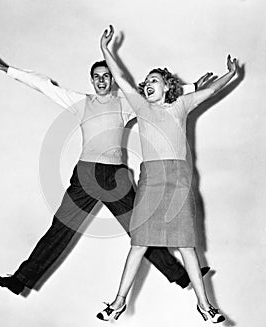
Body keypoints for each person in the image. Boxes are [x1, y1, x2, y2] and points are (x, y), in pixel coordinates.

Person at [0, 48, 211, 296]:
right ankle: (20, 280)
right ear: (92, 80)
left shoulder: (126, 102)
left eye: (106, 75)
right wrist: (9, 70)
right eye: (97, 76)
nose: (102, 80)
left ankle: (181, 276)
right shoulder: (80, 102)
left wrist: (192, 87)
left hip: (116, 178)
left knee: (140, 230)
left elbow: (162, 96)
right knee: (60, 228)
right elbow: (45, 86)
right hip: (86, 176)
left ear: (112, 80)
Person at [97, 25, 238, 323]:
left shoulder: (182, 104)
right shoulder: (140, 105)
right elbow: (121, 79)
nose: (148, 84)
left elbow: (212, 90)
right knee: (139, 243)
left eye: (154, 80)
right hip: (151, 181)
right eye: (146, 81)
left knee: (186, 245)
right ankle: (118, 303)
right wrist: (105, 50)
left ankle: (205, 306)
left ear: (168, 86)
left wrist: (231, 74)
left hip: (179, 179)